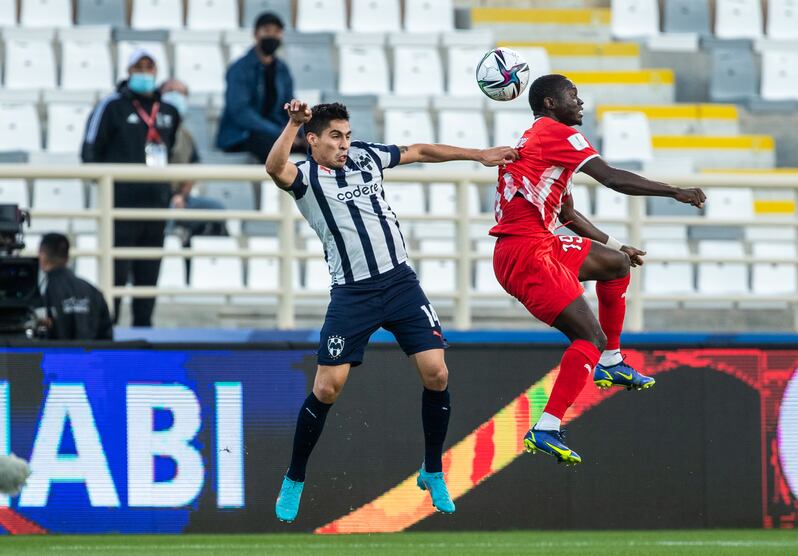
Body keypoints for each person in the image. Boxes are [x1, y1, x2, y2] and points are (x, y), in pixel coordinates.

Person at [266, 100, 518, 523]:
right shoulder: (305, 177)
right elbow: (275, 168)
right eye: (335, 136)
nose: (345, 144)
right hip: (352, 293)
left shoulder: (366, 156)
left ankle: (432, 469)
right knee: (328, 388)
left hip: (400, 283)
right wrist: (291, 123)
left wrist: (480, 155)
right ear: (312, 140)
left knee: (437, 372)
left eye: (347, 135)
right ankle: (294, 477)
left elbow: (418, 151)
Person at [490, 74, 706, 465]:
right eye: (572, 95)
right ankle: (548, 427)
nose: (580, 101)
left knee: (615, 264)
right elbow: (611, 177)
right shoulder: (554, 134)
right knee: (588, 336)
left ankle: (612, 361)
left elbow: (568, 214)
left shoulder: (540, 145)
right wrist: (674, 191)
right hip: (527, 253)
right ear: (551, 104)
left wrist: (617, 244)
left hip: (539, 243)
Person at [81, 48, 181, 327]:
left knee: (147, 281)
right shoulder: (111, 106)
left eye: (150, 67)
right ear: (129, 71)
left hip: (155, 209)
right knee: (114, 278)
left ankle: (144, 337)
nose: (145, 72)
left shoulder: (169, 111)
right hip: (120, 209)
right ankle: (107, 334)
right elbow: (89, 152)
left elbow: (173, 152)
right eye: (140, 66)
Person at [216, 12, 298, 160]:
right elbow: (241, 112)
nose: (272, 36)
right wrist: (278, 132)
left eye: (277, 32)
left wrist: (300, 131)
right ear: (255, 34)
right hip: (241, 135)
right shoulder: (239, 69)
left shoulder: (282, 69)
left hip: (274, 132)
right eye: (267, 31)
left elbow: (289, 105)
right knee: (272, 146)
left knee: (316, 144)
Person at [160, 79, 227, 244]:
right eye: (170, 91)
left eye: (180, 93)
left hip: (182, 198)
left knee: (217, 210)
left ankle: (211, 262)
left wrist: (181, 196)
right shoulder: (151, 129)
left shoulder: (187, 135)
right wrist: (171, 198)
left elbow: (193, 168)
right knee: (168, 213)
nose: (175, 96)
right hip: (157, 198)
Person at [38, 233, 113, 340]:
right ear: (67, 257)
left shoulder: (40, 292)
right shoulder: (93, 292)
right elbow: (107, 339)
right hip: (90, 355)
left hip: (54, 356)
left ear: (42, 256)